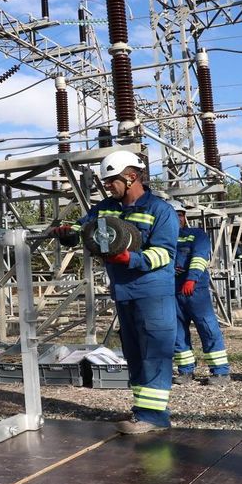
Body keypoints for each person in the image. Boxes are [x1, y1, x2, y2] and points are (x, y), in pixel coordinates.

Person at [50, 150, 178, 434]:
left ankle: (155, 416)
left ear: (131, 177)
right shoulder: (107, 208)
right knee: (133, 352)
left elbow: (164, 254)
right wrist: (68, 232)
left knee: (153, 352)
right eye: (107, 182)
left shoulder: (160, 211)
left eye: (112, 181)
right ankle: (143, 411)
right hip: (123, 292)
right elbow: (86, 228)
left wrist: (129, 259)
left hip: (152, 292)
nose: (108, 186)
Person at [167, 201, 230, 386]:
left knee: (208, 328)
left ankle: (220, 372)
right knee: (178, 333)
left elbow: (200, 256)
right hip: (172, 291)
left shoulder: (197, 235)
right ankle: (185, 371)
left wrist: (191, 278)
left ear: (185, 217)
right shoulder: (162, 238)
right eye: (173, 215)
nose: (177, 218)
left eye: (180, 214)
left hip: (195, 291)